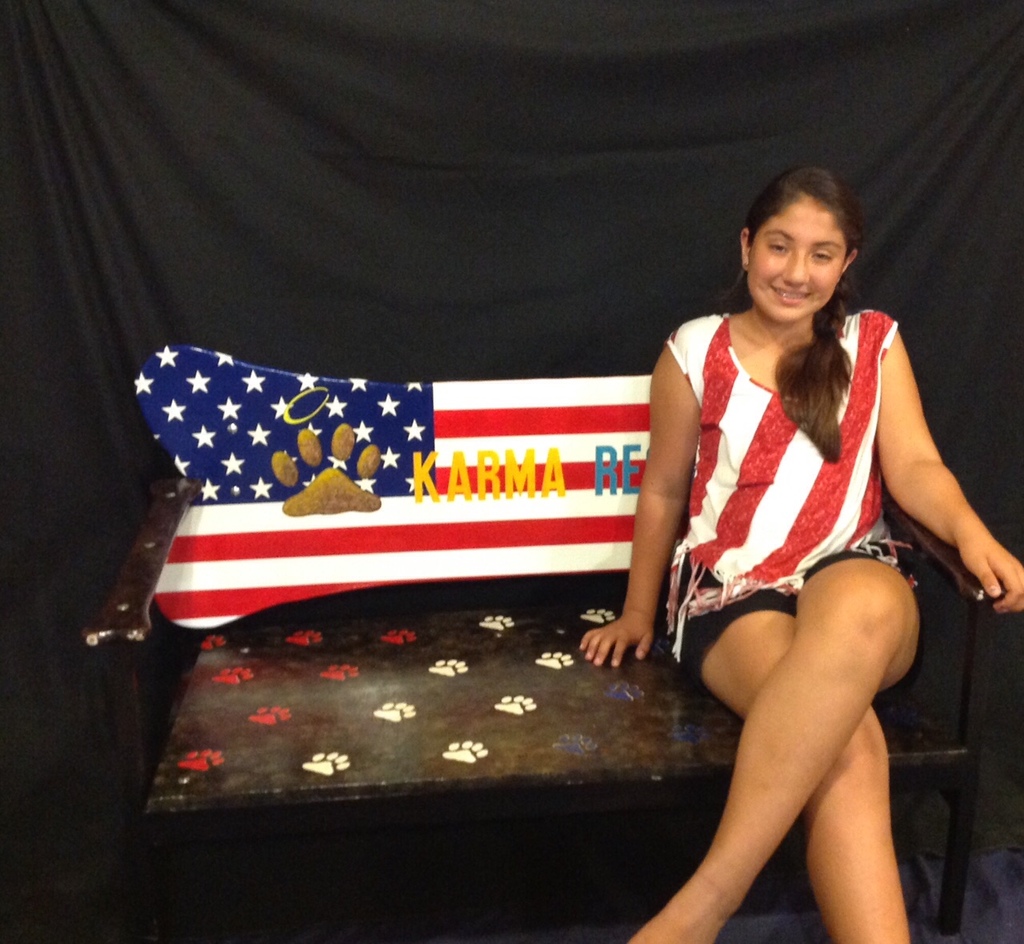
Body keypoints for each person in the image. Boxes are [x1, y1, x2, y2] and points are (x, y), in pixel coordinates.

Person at [580, 166, 1024, 944]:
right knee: (845, 741)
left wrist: (972, 532)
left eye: (822, 254)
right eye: (779, 246)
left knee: (858, 611)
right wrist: (639, 610)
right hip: (731, 594)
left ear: (847, 263)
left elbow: (916, 467)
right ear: (747, 247)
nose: (796, 271)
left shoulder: (872, 343)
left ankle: (699, 910)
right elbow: (662, 491)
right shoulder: (695, 349)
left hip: (854, 573)